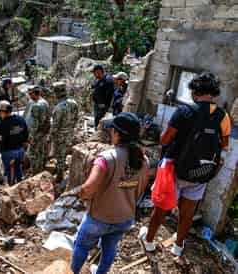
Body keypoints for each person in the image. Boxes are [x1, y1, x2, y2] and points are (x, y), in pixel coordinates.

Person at [139, 72, 231, 258]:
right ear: (212, 93)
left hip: (174, 169)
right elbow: (224, 145)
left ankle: (148, 241)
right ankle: (178, 246)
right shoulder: (223, 116)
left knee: (162, 208)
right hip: (202, 171)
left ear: (195, 91)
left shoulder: (184, 111)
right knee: (188, 212)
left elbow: (164, 140)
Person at [69, 112, 150, 274]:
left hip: (99, 218)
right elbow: (140, 189)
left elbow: (88, 189)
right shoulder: (144, 161)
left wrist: (78, 196)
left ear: (117, 133)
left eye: (112, 130)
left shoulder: (106, 159)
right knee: (110, 247)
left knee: (82, 245)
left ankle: (73, 272)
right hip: (124, 218)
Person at [0, 100, 29, 185]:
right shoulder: (20, 119)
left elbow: (0, 141)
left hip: (8, 153)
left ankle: (12, 189)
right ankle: (20, 187)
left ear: (3, 112)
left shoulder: (3, 124)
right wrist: (24, 145)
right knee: (18, 171)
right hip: (20, 151)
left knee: (10, 174)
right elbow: (26, 133)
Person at [51, 82, 79, 184]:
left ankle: (60, 176)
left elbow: (55, 126)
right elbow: (76, 118)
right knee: (65, 153)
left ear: (57, 93)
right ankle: (63, 172)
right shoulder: (74, 103)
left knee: (60, 156)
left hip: (60, 135)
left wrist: (51, 137)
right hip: (69, 133)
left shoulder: (59, 108)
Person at [24, 86, 50, 174]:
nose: (30, 96)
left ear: (35, 93)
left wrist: (30, 136)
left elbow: (35, 124)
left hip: (36, 133)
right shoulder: (45, 102)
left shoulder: (36, 105)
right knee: (40, 152)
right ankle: (40, 170)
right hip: (43, 132)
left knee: (33, 154)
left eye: (30, 94)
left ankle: (35, 172)